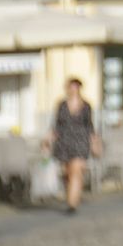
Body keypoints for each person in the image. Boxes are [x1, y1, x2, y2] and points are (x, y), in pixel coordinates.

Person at [41, 77, 99, 215]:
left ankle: (72, 203)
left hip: (81, 141)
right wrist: (48, 139)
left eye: (75, 87)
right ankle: (71, 197)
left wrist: (94, 142)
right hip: (64, 142)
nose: (73, 90)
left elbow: (90, 126)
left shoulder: (86, 106)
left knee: (76, 171)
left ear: (79, 88)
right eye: (71, 87)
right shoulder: (61, 105)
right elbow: (56, 125)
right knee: (67, 173)